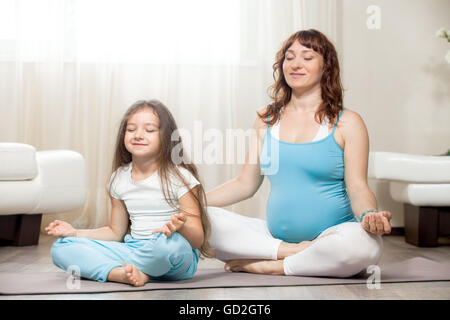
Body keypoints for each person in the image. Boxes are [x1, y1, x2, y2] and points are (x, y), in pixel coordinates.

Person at [205, 29, 392, 278]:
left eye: (307, 57)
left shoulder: (348, 122)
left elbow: (357, 187)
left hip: (334, 235)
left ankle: (277, 265)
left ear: (326, 67)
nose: (295, 64)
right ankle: (296, 253)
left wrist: (369, 215)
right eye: (289, 57)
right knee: (199, 219)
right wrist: (192, 201)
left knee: (364, 245)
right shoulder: (266, 119)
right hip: (274, 237)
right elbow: (245, 184)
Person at [46, 99, 213, 287]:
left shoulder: (181, 177)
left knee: (170, 245)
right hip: (133, 249)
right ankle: (121, 273)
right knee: (61, 247)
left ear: (167, 137)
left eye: (149, 130)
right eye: (131, 129)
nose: (138, 135)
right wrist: (75, 232)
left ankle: (128, 268)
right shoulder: (119, 178)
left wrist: (181, 228)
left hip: (173, 256)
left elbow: (197, 239)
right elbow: (115, 232)